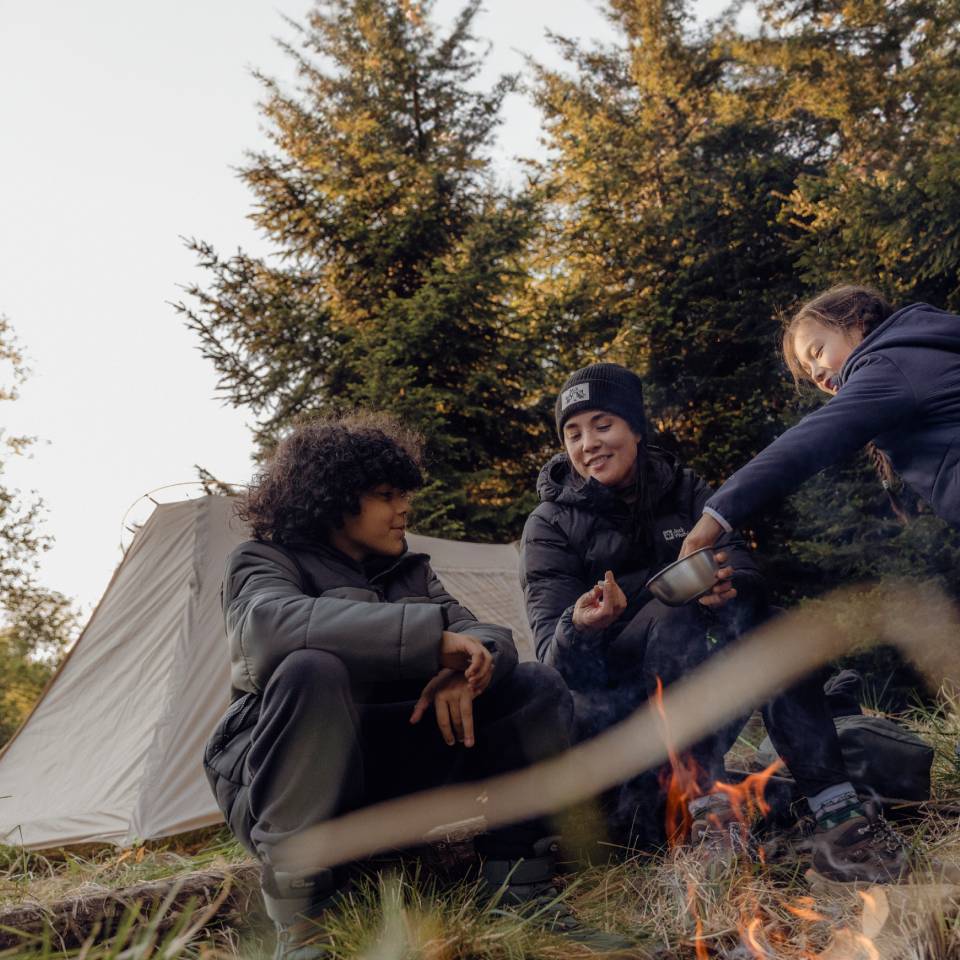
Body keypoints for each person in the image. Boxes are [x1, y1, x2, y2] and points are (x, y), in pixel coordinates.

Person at [203, 414, 628, 958]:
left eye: (403, 493)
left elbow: (486, 635)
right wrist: (432, 643)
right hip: (286, 780)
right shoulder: (262, 560)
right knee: (311, 668)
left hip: (390, 765)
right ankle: (303, 927)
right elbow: (268, 628)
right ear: (332, 499)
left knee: (536, 686)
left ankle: (520, 889)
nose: (403, 508)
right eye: (385, 495)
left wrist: (465, 671)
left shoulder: (409, 571)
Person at [520, 362, 909, 881]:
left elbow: (741, 566)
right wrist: (583, 624)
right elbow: (551, 657)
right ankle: (710, 816)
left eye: (602, 424)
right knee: (675, 614)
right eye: (573, 433)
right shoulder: (549, 524)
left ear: (636, 427)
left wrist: (730, 586)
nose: (588, 443)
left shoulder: (685, 489)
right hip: (618, 720)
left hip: (701, 699)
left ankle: (837, 811)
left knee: (769, 624)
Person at [681, 285, 960, 555]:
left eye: (817, 353)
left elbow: (807, 442)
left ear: (856, 322)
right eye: (808, 370)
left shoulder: (889, 366)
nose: (815, 375)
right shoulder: (915, 348)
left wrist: (714, 516)